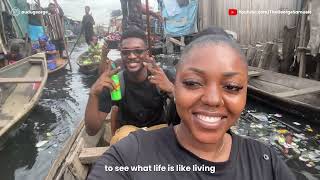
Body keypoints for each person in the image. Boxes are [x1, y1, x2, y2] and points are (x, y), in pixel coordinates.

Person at [87, 29, 297, 180]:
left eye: (232, 86)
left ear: (147, 53)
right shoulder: (127, 152)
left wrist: (168, 88)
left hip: (158, 129)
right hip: (134, 135)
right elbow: (93, 128)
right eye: (192, 83)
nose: (213, 99)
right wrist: (93, 95)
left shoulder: (267, 162)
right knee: (122, 134)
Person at [84, 28, 174, 141]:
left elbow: (186, 116)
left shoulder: (163, 76)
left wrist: (171, 90)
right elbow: (91, 131)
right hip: (128, 139)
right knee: (123, 137)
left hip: (158, 134)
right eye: (126, 52)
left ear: (147, 52)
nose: (131, 56)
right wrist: (93, 94)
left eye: (138, 51)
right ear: (121, 54)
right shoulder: (114, 82)